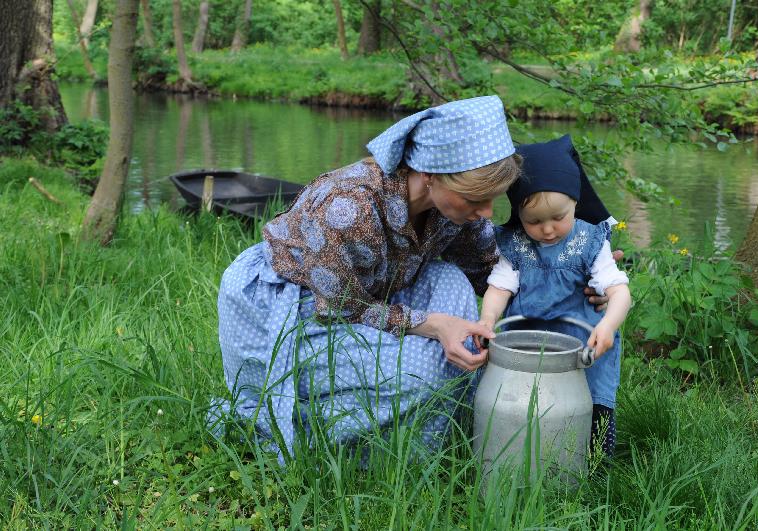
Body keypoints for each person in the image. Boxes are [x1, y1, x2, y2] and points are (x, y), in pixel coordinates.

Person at [212, 95, 521, 461]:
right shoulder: (349, 206)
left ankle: (430, 433)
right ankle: (321, 434)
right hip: (295, 305)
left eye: (491, 200)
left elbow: (489, 271)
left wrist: (583, 275)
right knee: (421, 373)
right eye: (476, 199)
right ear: (430, 175)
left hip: (373, 293)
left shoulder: (453, 211)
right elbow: (344, 306)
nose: (485, 212)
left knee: (450, 280)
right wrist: (433, 325)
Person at [478, 135, 632, 458]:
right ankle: (518, 456)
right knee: (519, 405)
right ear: (518, 214)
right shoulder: (516, 244)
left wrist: (608, 325)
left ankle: (593, 470)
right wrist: (488, 320)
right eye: (534, 221)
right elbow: (499, 287)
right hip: (527, 339)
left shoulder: (589, 241)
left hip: (581, 340)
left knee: (591, 405)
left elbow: (619, 292)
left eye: (558, 218)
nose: (547, 230)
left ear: (575, 202)